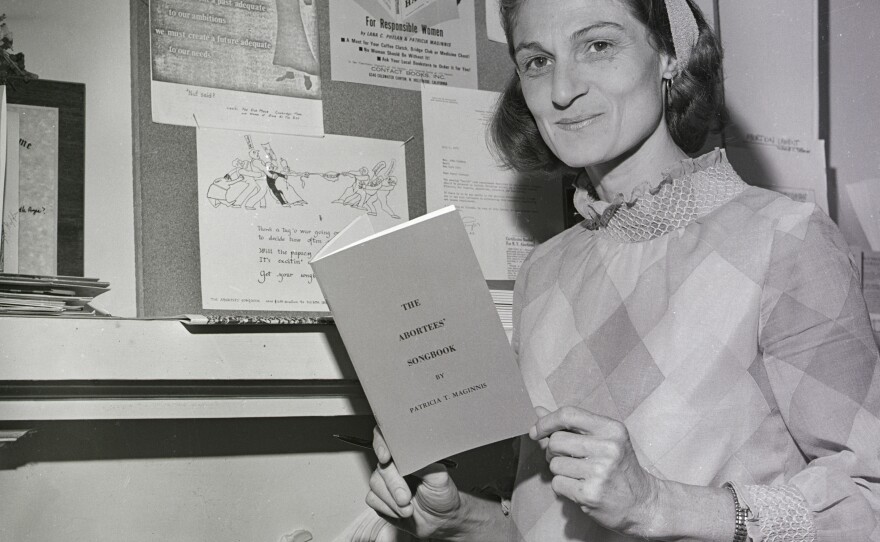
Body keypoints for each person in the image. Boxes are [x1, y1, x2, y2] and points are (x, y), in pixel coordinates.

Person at [353, 0, 880, 540]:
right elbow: (546, 527)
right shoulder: (544, 270)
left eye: (598, 46)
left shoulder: (786, 237)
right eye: (537, 61)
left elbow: (871, 498)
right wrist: (459, 518)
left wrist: (659, 506)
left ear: (671, 55)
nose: (561, 90)